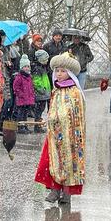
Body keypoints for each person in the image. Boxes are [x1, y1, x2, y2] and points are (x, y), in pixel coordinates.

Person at [35, 52, 86, 204]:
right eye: (57, 70)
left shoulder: (75, 92)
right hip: (55, 133)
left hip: (70, 134)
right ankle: (55, 189)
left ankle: (67, 191)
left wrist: (67, 123)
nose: (59, 74)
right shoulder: (56, 90)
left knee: (70, 161)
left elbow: (78, 114)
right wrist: (50, 120)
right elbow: (53, 110)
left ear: (69, 73)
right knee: (54, 160)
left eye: (63, 71)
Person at [13, 54, 35, 134]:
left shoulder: (29, 77)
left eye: (28, 66)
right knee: (21, 114)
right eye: (25, 67)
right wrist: (21, 95)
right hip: (22, 99)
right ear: (21, 68)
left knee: (25, 114)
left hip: (27, 99)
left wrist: (31, 95)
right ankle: (21, 127)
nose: (26, 68)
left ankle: (25, 126)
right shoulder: (19, 77)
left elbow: (31, 88)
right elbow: (15, 87)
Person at [32, 50, 51, 133]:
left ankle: (38, 124)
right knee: (39, 110)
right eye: (45, 59)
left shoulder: (43, 68)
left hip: (44, 93)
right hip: (40, 94)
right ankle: (37, 126)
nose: (47, 61)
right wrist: (41, 89)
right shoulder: (37, 68)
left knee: (41, 109)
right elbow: (36, 81)